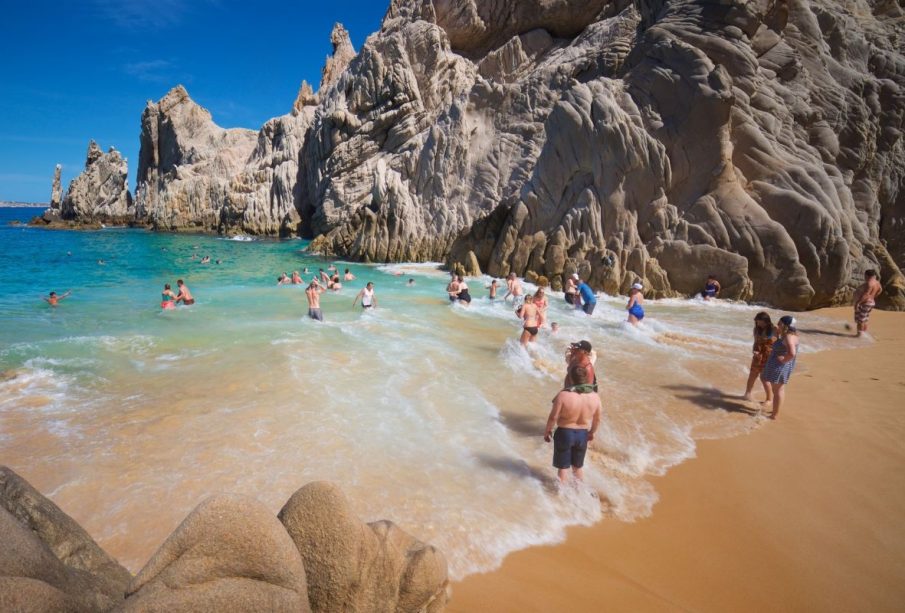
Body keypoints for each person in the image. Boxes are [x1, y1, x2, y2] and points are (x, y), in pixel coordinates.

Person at [544, 363, 602, 483]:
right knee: (577, 467)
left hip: (565, 433)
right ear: (586, 378)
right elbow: (597, 419)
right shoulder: (595, 397)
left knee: (563, 468)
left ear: (570, 378)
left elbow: (553, 417)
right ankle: (579, 492)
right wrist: (592, 432)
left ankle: (560, 496)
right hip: (582, 435)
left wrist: (547, 431)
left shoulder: (563, 395)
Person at [761, 315, 799, 420]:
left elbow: (792, 353)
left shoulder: (788, 337)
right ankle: (775, 412)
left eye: (779, 323)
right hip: (780, 366)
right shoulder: (791, 335)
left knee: (778, 390)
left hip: (780, 366)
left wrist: (783, 360)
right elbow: (782, 347)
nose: (777, 325)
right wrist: (778, 334)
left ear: (785, 325)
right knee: (778, 389)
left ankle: (774, 415)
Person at [743, 312, 775, 402]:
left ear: (766, 321)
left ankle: (769, 399)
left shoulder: (774, 329)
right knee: (752, 375)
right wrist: (754, 351)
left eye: (759, 322)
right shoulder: (756, 329)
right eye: (757, 322)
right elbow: (755, 342)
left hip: (769, 357)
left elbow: (779, 342)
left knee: (764, 378)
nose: (758, 324)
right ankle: (747, 394)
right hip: (758, 356)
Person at [853, 270, 882, 337]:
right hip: (871, 303)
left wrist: (858, 303)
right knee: (864, 319)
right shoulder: (877, 282)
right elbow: (880, 289)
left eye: (865, 276)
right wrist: (873, 296)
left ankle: (859, 335)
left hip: (865, 303)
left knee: (860, 320)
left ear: (867, 276)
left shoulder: (869, 283)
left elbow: (866, 294)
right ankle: (863, 333)